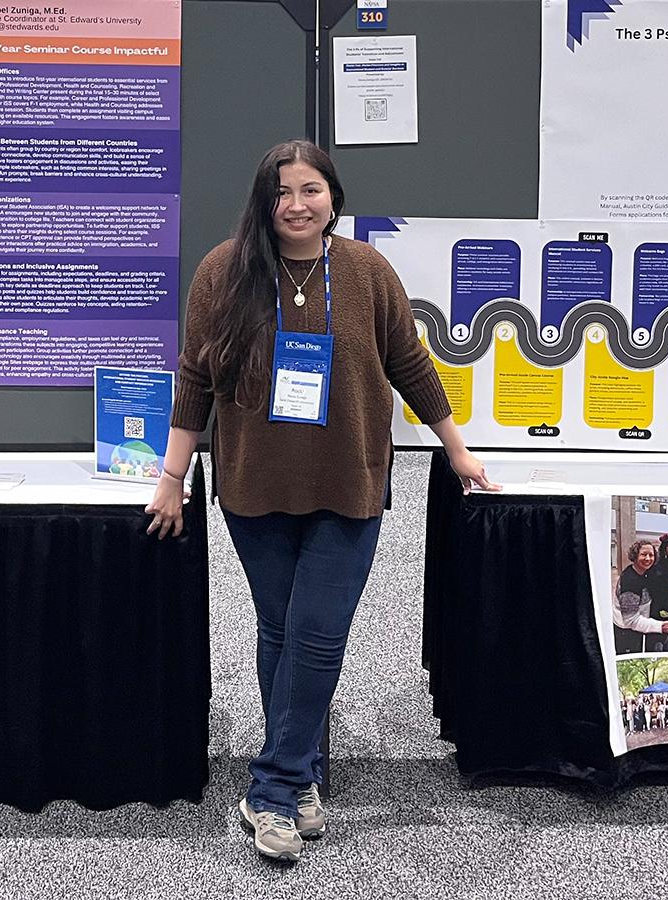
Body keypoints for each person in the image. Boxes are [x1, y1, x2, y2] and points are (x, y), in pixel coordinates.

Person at [144, 140, 499, 863]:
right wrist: (172, 476)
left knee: (317, 633)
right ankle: (300, 774)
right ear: (263, 200)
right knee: (280, 629)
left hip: (349, 479)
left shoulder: (366, 270)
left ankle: (272, 789)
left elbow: (410, 362)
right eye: (283, 191)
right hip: (256, 483)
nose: (297, 204)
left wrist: (457, 447)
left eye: (311, 189)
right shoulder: (224, 271)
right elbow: (195, 380)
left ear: (333, 196)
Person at [612, 540, 668, 655]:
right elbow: (630, 620)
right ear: (635, 556)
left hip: (636, 630)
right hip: (626, 632)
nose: (648, 558)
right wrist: (660, 626)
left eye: (651, 555)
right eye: (643, 554)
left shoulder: (643, 573)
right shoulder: (630, 581)